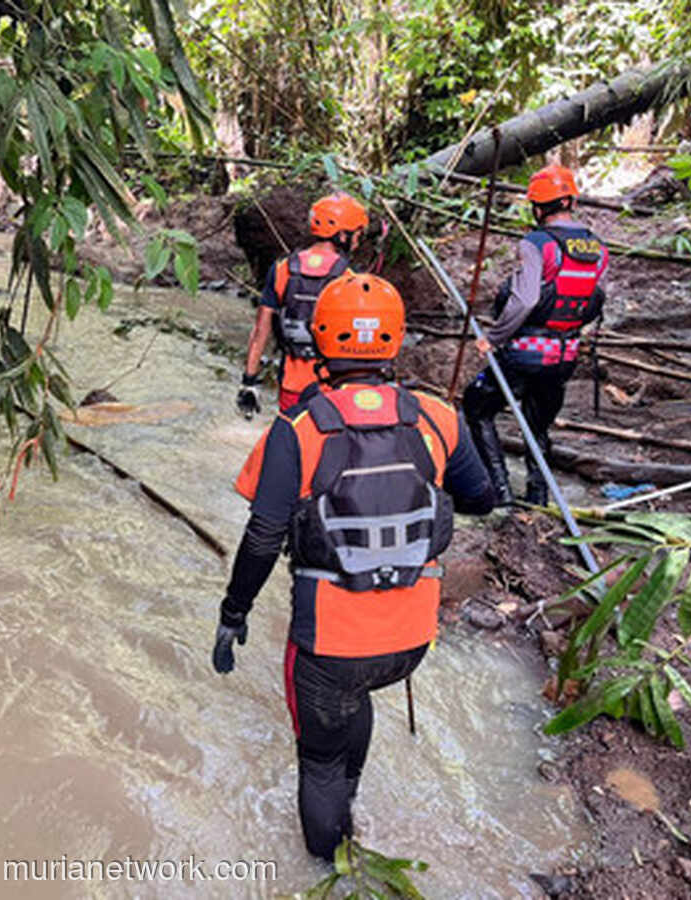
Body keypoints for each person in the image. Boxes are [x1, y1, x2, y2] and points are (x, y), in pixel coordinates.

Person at [212, 273, 496, 861]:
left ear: (319, 338)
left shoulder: (298, 429)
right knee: (355, 702)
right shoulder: (437, 417)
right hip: (411, 641)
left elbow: (264, 535)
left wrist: (232, 614)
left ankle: (330, 871)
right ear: (394, 340)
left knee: (319, 760)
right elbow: (482, 497)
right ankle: (351, 826)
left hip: (330, 645)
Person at [462, 163, 608, 506]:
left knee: (477, 405)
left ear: (538, 207)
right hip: (565, 355)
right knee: (537, 423)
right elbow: (593, 299)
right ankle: (538, 496)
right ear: (570, 201)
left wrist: (494, 337)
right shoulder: (598, 248)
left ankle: (500, 493)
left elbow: (525, 299)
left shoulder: (536, 244)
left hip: (524, 352)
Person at [237, 193, 368, 417]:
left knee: (293, 442)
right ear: (342, 234)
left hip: (291, 383)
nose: (357, 240)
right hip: (331, 385)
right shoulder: (348, 278)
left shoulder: (282, 269)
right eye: (356, 234)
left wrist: (249, 381)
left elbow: (261, 331)